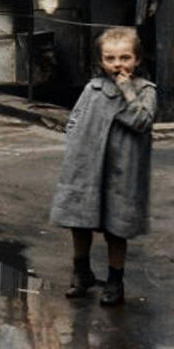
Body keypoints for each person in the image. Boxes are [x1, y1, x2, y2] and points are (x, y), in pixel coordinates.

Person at [50, 26, 157, 306]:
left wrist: (126, 92)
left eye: (125, 58)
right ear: (101, 61)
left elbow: (142, 121)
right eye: (110, 59)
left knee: (115, 228)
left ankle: (115, 281)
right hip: (87, 167)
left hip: (122, 171)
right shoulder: (92, 88)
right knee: (80, 220)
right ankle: (81, 272)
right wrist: (75, 142)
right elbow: (75, 119)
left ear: (138, 59)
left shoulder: (145, 91)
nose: (117, 64)